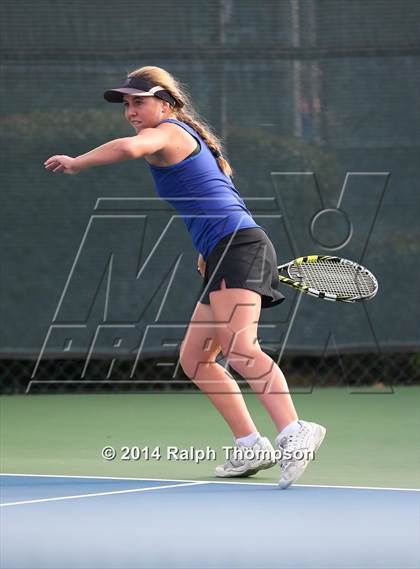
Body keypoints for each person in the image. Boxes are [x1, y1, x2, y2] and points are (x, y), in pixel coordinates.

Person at [44, 65, 326, 488]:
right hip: (222, 251)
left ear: (167, 103)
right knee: (196, 358)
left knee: (241, 348)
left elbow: (128, 148)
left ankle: (294, 431)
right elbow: (210, 195)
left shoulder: (169, 132)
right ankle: (251, 444)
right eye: (127, 104)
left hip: (238, 247)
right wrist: (205, 250)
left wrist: (77, 162)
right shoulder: (185, 138)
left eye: (139, 102)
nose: (131, 111)